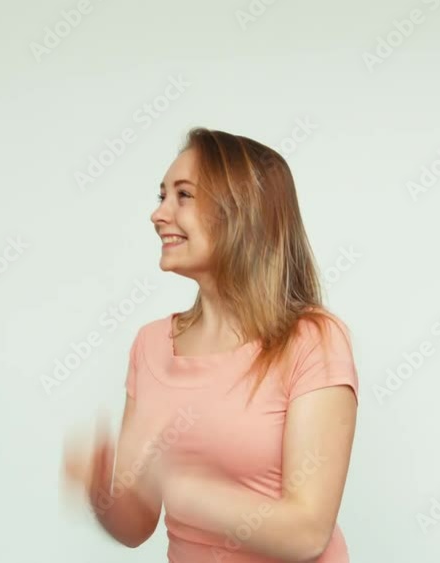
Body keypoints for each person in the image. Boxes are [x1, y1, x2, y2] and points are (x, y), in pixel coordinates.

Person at [62, 127, 359, 562]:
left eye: (183, 196)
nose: (158, 214)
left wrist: (177, 482)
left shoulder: (312, 341)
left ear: (243, 213)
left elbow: (308, 533)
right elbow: (136, 528)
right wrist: (99, 492)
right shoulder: (151, 346)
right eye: (161, 195)